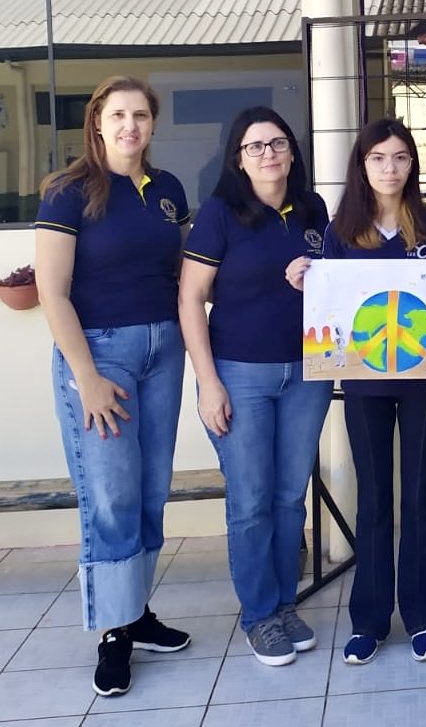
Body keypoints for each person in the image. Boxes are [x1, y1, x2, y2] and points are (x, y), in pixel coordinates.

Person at [34, 76, 193, 697]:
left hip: (163, 351)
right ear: (97, 121)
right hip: (100, 355)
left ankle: (136, 612)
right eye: (118, 115)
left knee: (151, 492)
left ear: (153, 125)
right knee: (110, 497)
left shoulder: (167, 190)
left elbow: (183, 269)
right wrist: (87, 378)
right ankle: (113, 634)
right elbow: (51, 292)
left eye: (141, 116)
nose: (131, 126)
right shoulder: (69, 192)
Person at [178, 106, 333, 667]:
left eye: (277, 143)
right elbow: (190, 299)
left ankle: (285, 605)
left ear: (292, 151)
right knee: (250, 502)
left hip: (307, 374)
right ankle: (259, 616)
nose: (268, 154)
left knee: (290, 496)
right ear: (238, 159)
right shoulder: (220, 213)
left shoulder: (312, 209)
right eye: (255, 146)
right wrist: (207, 383)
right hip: (239, 375)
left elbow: (336, 282)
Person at [308, 118, 426, 666]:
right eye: (378, 159)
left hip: (423, 383)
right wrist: (306, 275)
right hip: (365, 384)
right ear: (362, 166)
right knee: (373, 501)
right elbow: (328, 305)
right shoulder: (341, 230)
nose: (389, 169)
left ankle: (423, 618)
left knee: (420, 496)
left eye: (400, 158)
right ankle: (369, 620)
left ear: (412, 165)